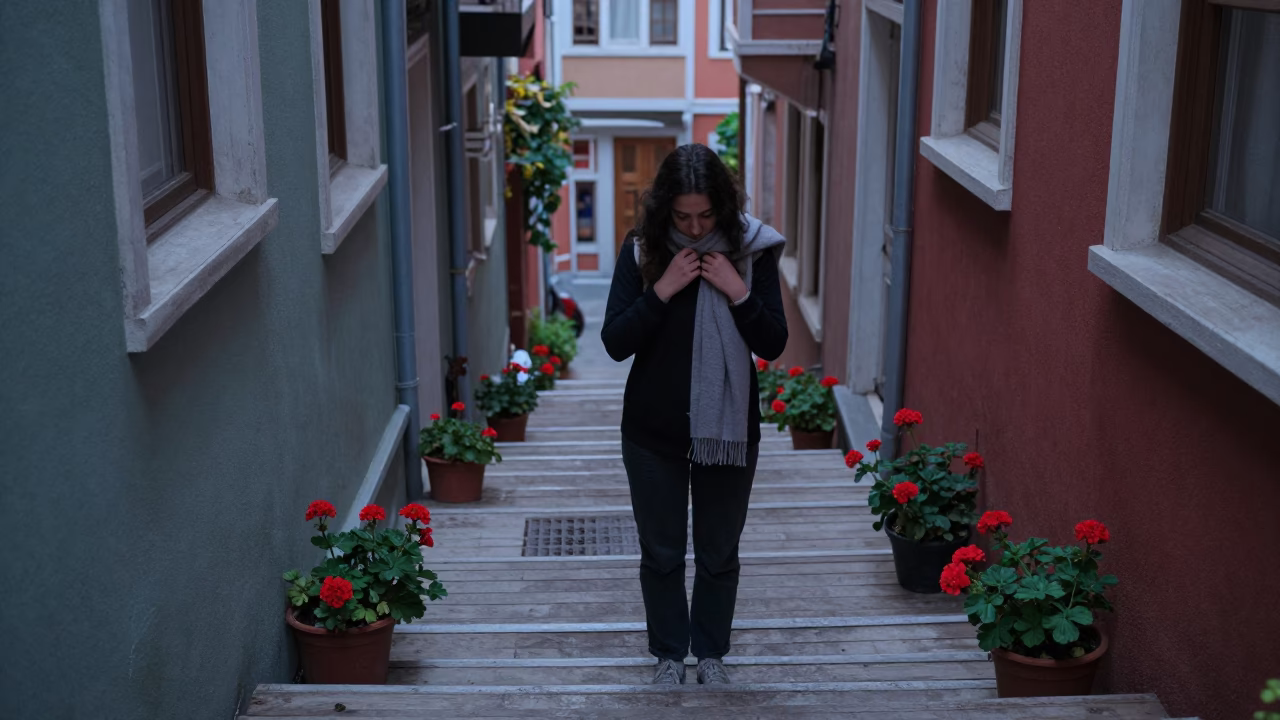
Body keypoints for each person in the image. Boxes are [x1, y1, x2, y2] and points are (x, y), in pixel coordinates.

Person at [601, 143, 788, 685]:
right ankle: (667, 655)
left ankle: (710, 653)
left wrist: (737, 291)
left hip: (727, 433)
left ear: (724, 207)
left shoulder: (753, 252)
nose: (694, 225)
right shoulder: (642, 252)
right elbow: (615, 341)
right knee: (660, 554)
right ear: (665, 209)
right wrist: (662, 290)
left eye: (705, 215)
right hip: (651, 433)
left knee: (718, 552)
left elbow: (773, 342)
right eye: (682, 216)